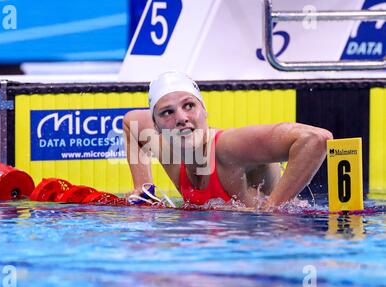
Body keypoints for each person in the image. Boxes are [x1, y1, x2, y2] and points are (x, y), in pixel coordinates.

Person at [123, 71, 333, 210]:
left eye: (189, 106)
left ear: (204, 111)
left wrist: (273, 209)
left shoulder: (228, 148)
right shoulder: (171, 155)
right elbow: (131, 121)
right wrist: (143, 189)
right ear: (157, 126)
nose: (181, 118)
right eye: (167, 112)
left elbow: (315, 139)